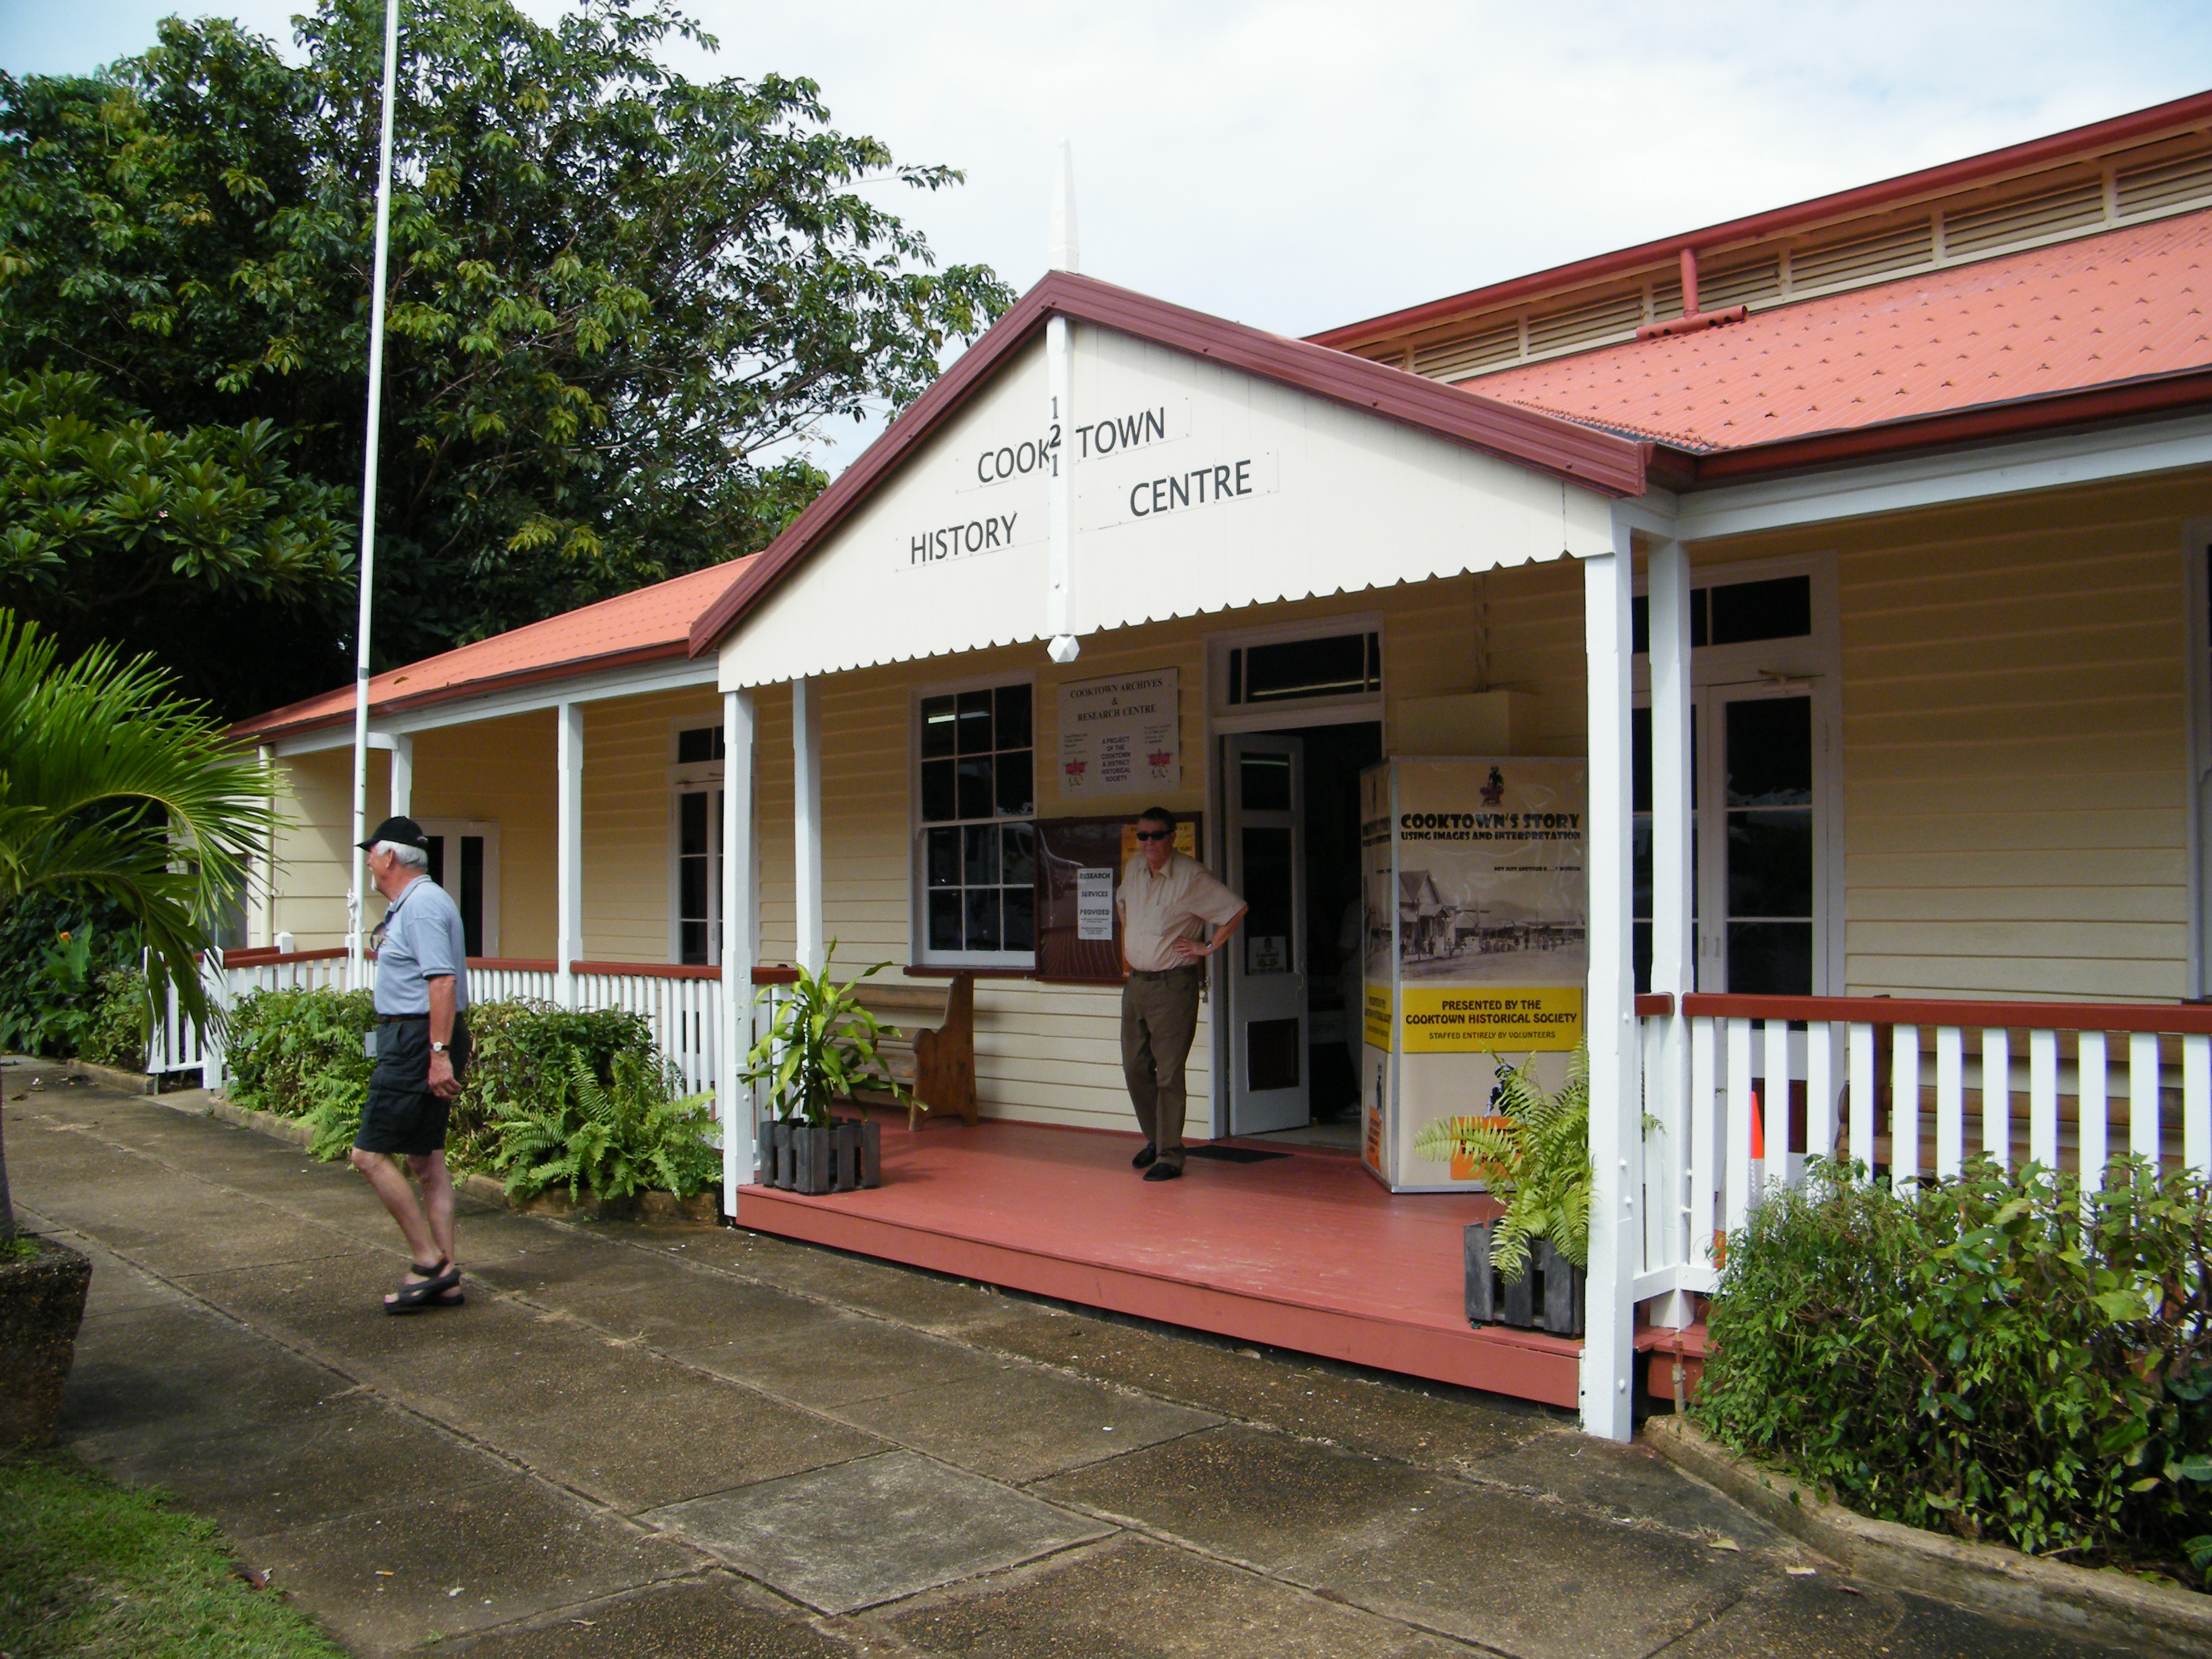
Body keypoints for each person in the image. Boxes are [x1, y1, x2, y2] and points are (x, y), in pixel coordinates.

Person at [349, 816, 473, 1313]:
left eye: (372, 853)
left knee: (369, 1155)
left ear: (391, 857)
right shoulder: (417, 904)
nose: (369, 863)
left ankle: (429, 1264)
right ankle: (447, 1278)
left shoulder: (420, 906)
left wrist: (438, 1055)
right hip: (421, 1034)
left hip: (417, 1038)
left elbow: (441, 983)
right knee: (426, 1160)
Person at [1116, 806, 1247, 1181]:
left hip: (1173, 985)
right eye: (1142, 836)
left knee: (1169, 1074)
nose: (1149, 843)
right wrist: (1132, 947)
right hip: (1137, 983)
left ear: (1172, 837)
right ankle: (1156, 1139)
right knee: (1135, 1067)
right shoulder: (1134, 870)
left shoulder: (1191, 876)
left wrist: (1207, 947)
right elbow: (1122, 903)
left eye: (1156, 835)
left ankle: (1171, 1155)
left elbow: (1235, 910)